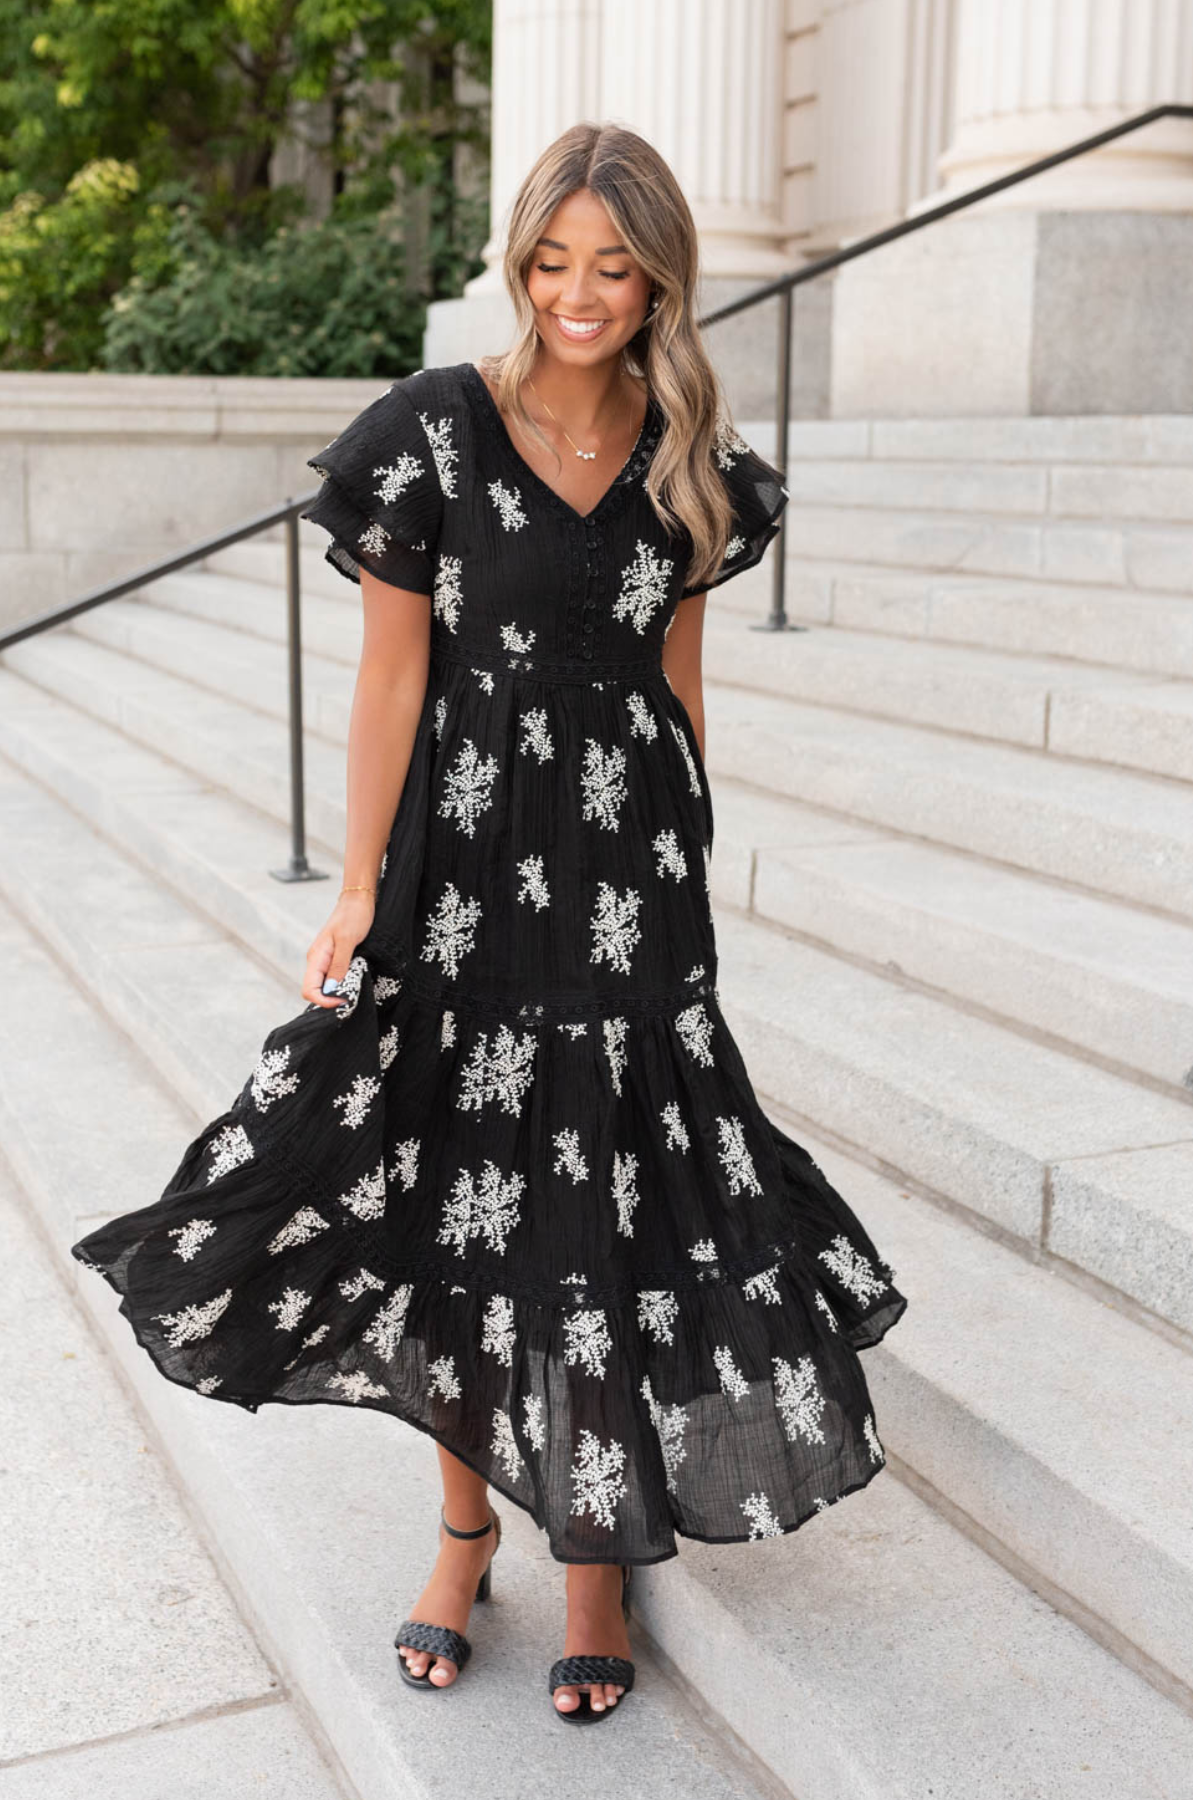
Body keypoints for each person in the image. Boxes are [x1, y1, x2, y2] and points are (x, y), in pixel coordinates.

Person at [70, 120, 907, 1725]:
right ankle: (461, 1543)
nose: (578, 293)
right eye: (550, 261)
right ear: (517, 264)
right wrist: (362, 882)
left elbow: (678, 691)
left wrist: (687, 877)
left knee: (602, 1221)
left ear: (658, 275)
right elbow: (394, 679)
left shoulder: (689, 462)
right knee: (462, 1205)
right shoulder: (434, 436)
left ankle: (594, 1558)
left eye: (613, 265)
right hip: (462, 894)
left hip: (627, 908)